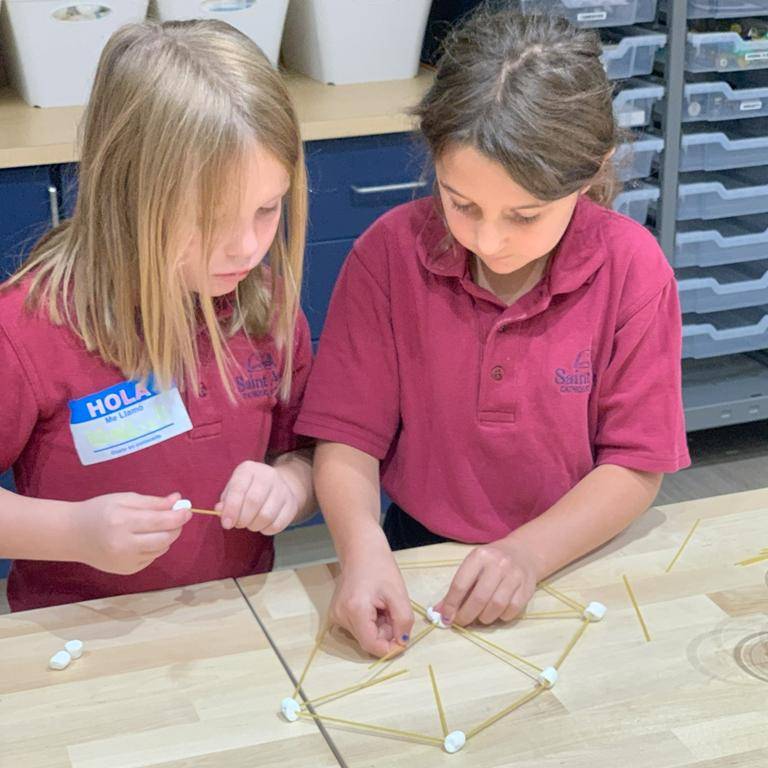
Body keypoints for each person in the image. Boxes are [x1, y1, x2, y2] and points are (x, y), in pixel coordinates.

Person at [295, 7, 690, 657]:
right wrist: (362, 552)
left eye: (525, 215)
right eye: (462, 204)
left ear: (591, 174)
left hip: (574, 550)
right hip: (419, 549)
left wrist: (530, 554)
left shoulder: (633, 270)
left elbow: (635, 464)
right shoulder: (387, 255)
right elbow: (346, 440)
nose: (489, 240)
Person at [0, 20, 314, 611]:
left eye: (267, 209)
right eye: (210, 220)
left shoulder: (265, 309)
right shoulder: (27, 330)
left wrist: (290, 487)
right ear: (128, 195)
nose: (247, 247)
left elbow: (310, 454)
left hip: (238, 617)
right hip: (84, 632)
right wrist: (75, 533)